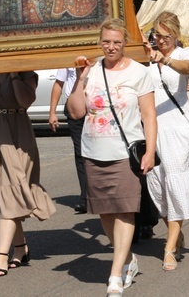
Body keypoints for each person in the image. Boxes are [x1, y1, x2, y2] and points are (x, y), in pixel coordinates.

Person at [66, 18, 158, 294]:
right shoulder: (91, 71)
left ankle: (115, 274)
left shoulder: (139, 73)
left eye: (117, 42)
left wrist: (150, 150)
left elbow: (149, 115)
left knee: (125, 210)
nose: (111, 47)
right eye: (106, 42)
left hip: (124, 152)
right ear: (100, 41)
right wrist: (80, 77)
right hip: (93, 152)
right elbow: (75, 112)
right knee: (104, 212)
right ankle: (128, 258)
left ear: (125, 43)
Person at [0, 70, 56, 277]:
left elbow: (25, 101)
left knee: (10, 191)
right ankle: (20, 247)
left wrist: (14, 74)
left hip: (18, 133)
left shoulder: (27, 74)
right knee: (1, 194)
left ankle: (0, 256)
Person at [145, 12, 189, 271]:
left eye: (166, 36)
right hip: (151, 130)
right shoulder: (147, 58)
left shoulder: (185, 54)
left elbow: (188, 69)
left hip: (177, 130)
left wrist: (167, 60)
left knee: (176, 182)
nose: (160, 40)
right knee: (158, 186)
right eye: (157, 35)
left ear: (175, 35)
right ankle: (175, 232)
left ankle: (168, 248)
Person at [48, 67, 87, 213]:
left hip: (96, 108)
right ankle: (85, 198)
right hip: (74, 110)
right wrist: (52, 112)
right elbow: (59, 83)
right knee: (80, 154)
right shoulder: (69, 57)